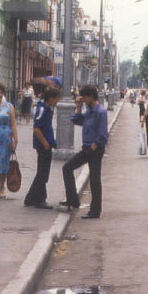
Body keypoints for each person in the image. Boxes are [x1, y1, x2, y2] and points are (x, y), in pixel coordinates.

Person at [60, 84, 108, 219]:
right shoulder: (89, 110)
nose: (83, 99)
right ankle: (73, 200)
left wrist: (93, 147)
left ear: (91, 96)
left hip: (95, 149)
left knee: (94, 179)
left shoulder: (100, 111)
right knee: (67, 167)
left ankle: (95, 210)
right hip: (86, 147)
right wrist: (79, 108)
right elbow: (77, 120)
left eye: (84, 96)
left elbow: (103, 135)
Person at [24, 87, 60, 209]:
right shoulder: (42, 110)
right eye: (57, 98)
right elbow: (36, 129)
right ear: (50, 98)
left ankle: (30, 198)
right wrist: (45, 143)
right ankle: (40, 199)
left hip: (46, 144)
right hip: (43, 145)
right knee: (43, 174)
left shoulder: (47, 108)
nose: (57, 101)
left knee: (42, 173)